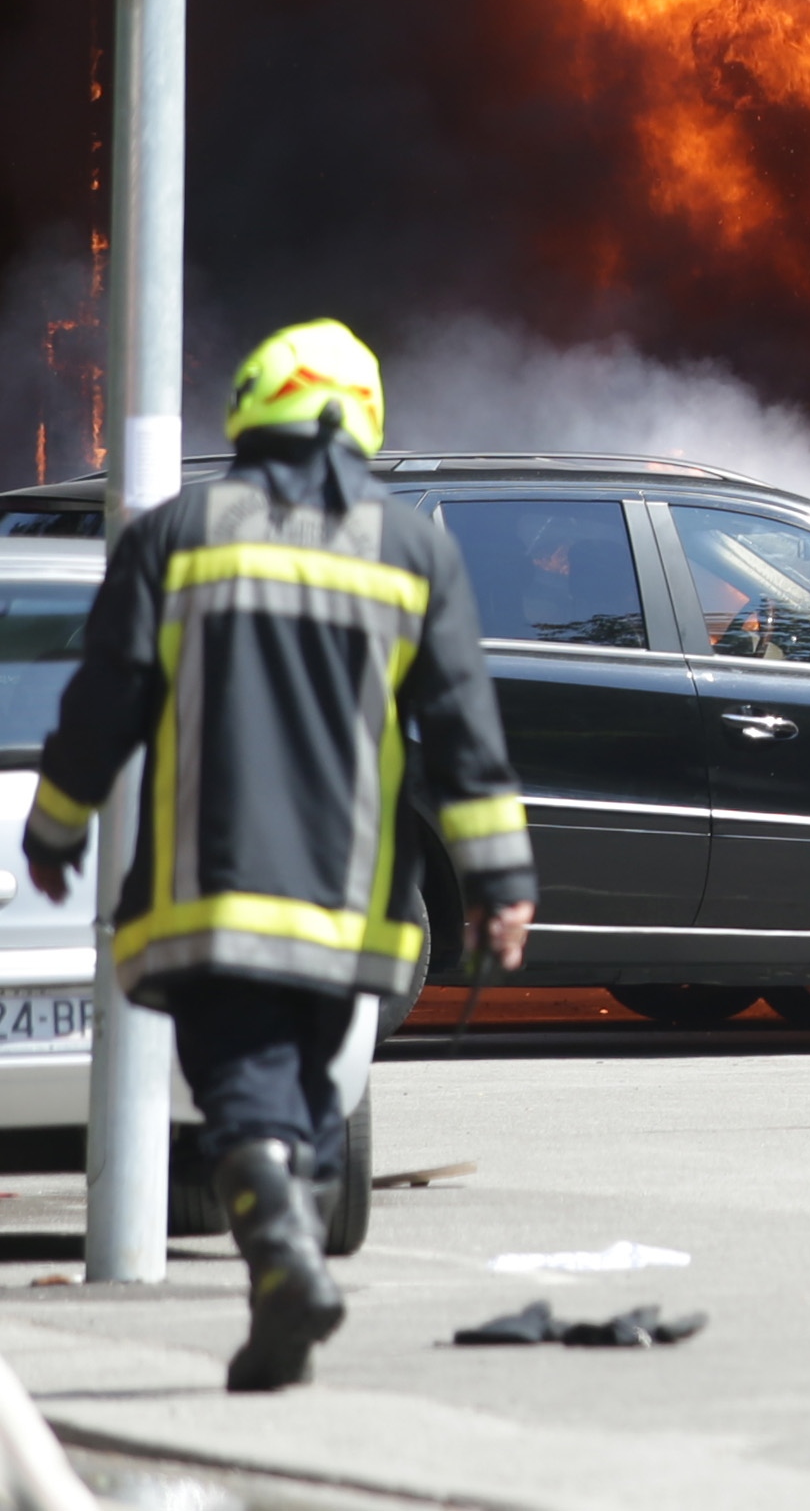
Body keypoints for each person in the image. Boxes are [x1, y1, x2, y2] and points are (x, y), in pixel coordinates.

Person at [21, 322, 533, 1392]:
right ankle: (279, 1307)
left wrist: (56, 826)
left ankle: (287, 1254)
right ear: (361, 419)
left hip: (211, 892)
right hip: (357, 906)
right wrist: (500, 884)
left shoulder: (176, 536)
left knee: (239, 1094)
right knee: (309, 1097)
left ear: (252, 412)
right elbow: (464, 730)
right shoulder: (411, 548)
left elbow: (101, 704)